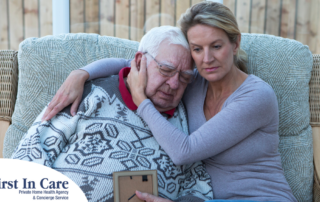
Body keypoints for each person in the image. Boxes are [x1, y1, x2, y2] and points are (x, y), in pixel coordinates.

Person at [41, 2, 298, 201]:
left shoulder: (256, 96)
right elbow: (133, 63)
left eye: (216, 46)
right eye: (197, 49)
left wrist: (142, 101)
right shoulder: (192, 80)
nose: (206, 58)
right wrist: (81, 74)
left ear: (235, 44)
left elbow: (183, 152)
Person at [11, 26, 214, 202]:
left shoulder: (185, 119)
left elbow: (200, 186)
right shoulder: (90, 95)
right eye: (166, 70)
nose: (174, 84)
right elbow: (28, 156)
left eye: (185, 77)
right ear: (139, 61)